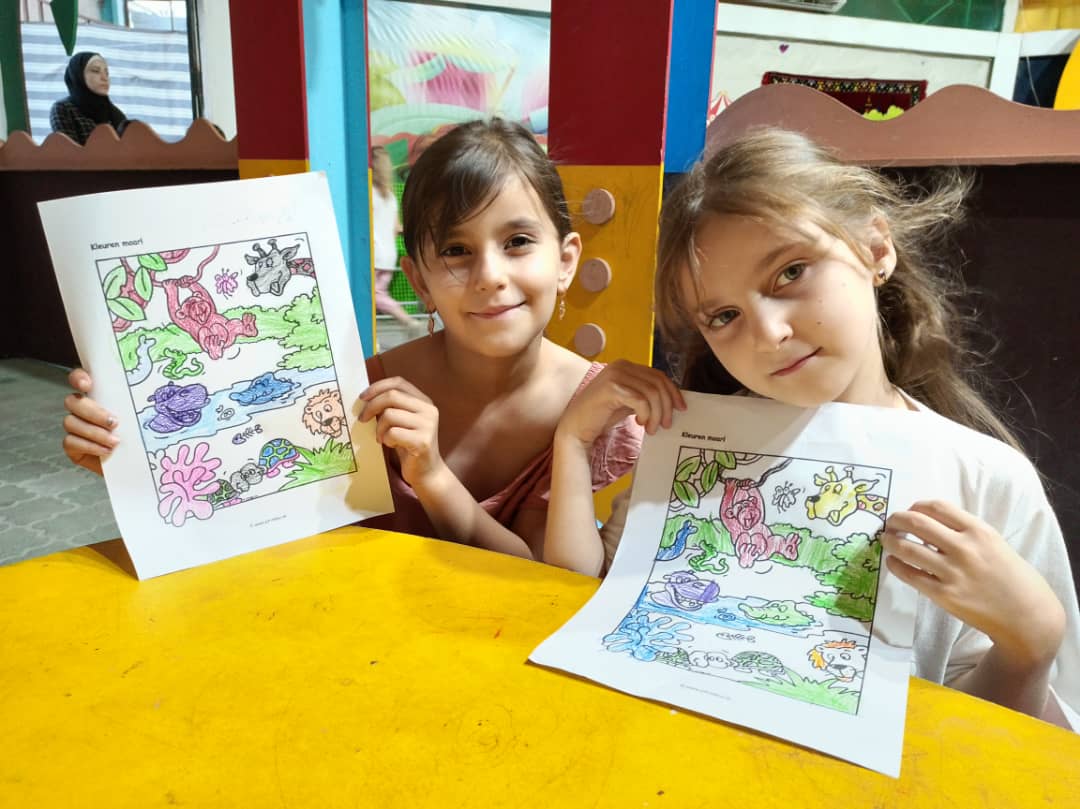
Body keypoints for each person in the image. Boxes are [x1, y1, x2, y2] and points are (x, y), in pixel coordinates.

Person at [544, 127, 1080, 729]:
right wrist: (573, 442)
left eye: (791, 272)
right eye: (724, 316)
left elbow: (1011, 747)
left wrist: (1032, 643)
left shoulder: (986, 480)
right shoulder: (690, 446)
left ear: (876, 248)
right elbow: (593, 602)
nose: (768, 334)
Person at [60, 118, 643, 561]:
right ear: (418, 281)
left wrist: (433, 475)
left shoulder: (590, 410)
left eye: (517, 241)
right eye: (456, 250)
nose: (490, 275)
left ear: (566, 260)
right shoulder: (357, 390)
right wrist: (133, 457)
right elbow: (248, 495)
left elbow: (545, 583)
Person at [371, 145, 426, 341]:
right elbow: (396, 228)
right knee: (378, 294)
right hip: (388, 254)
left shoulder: (369, 193)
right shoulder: (390, 196)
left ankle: (408, 321)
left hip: (374, 253)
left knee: (373, 295)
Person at [49, 52, 129, 145]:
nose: (104, 78)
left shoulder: (115, 114)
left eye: (107, 73)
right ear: (78, 75)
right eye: (96, 71)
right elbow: (69, 151)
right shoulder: (64, 109)